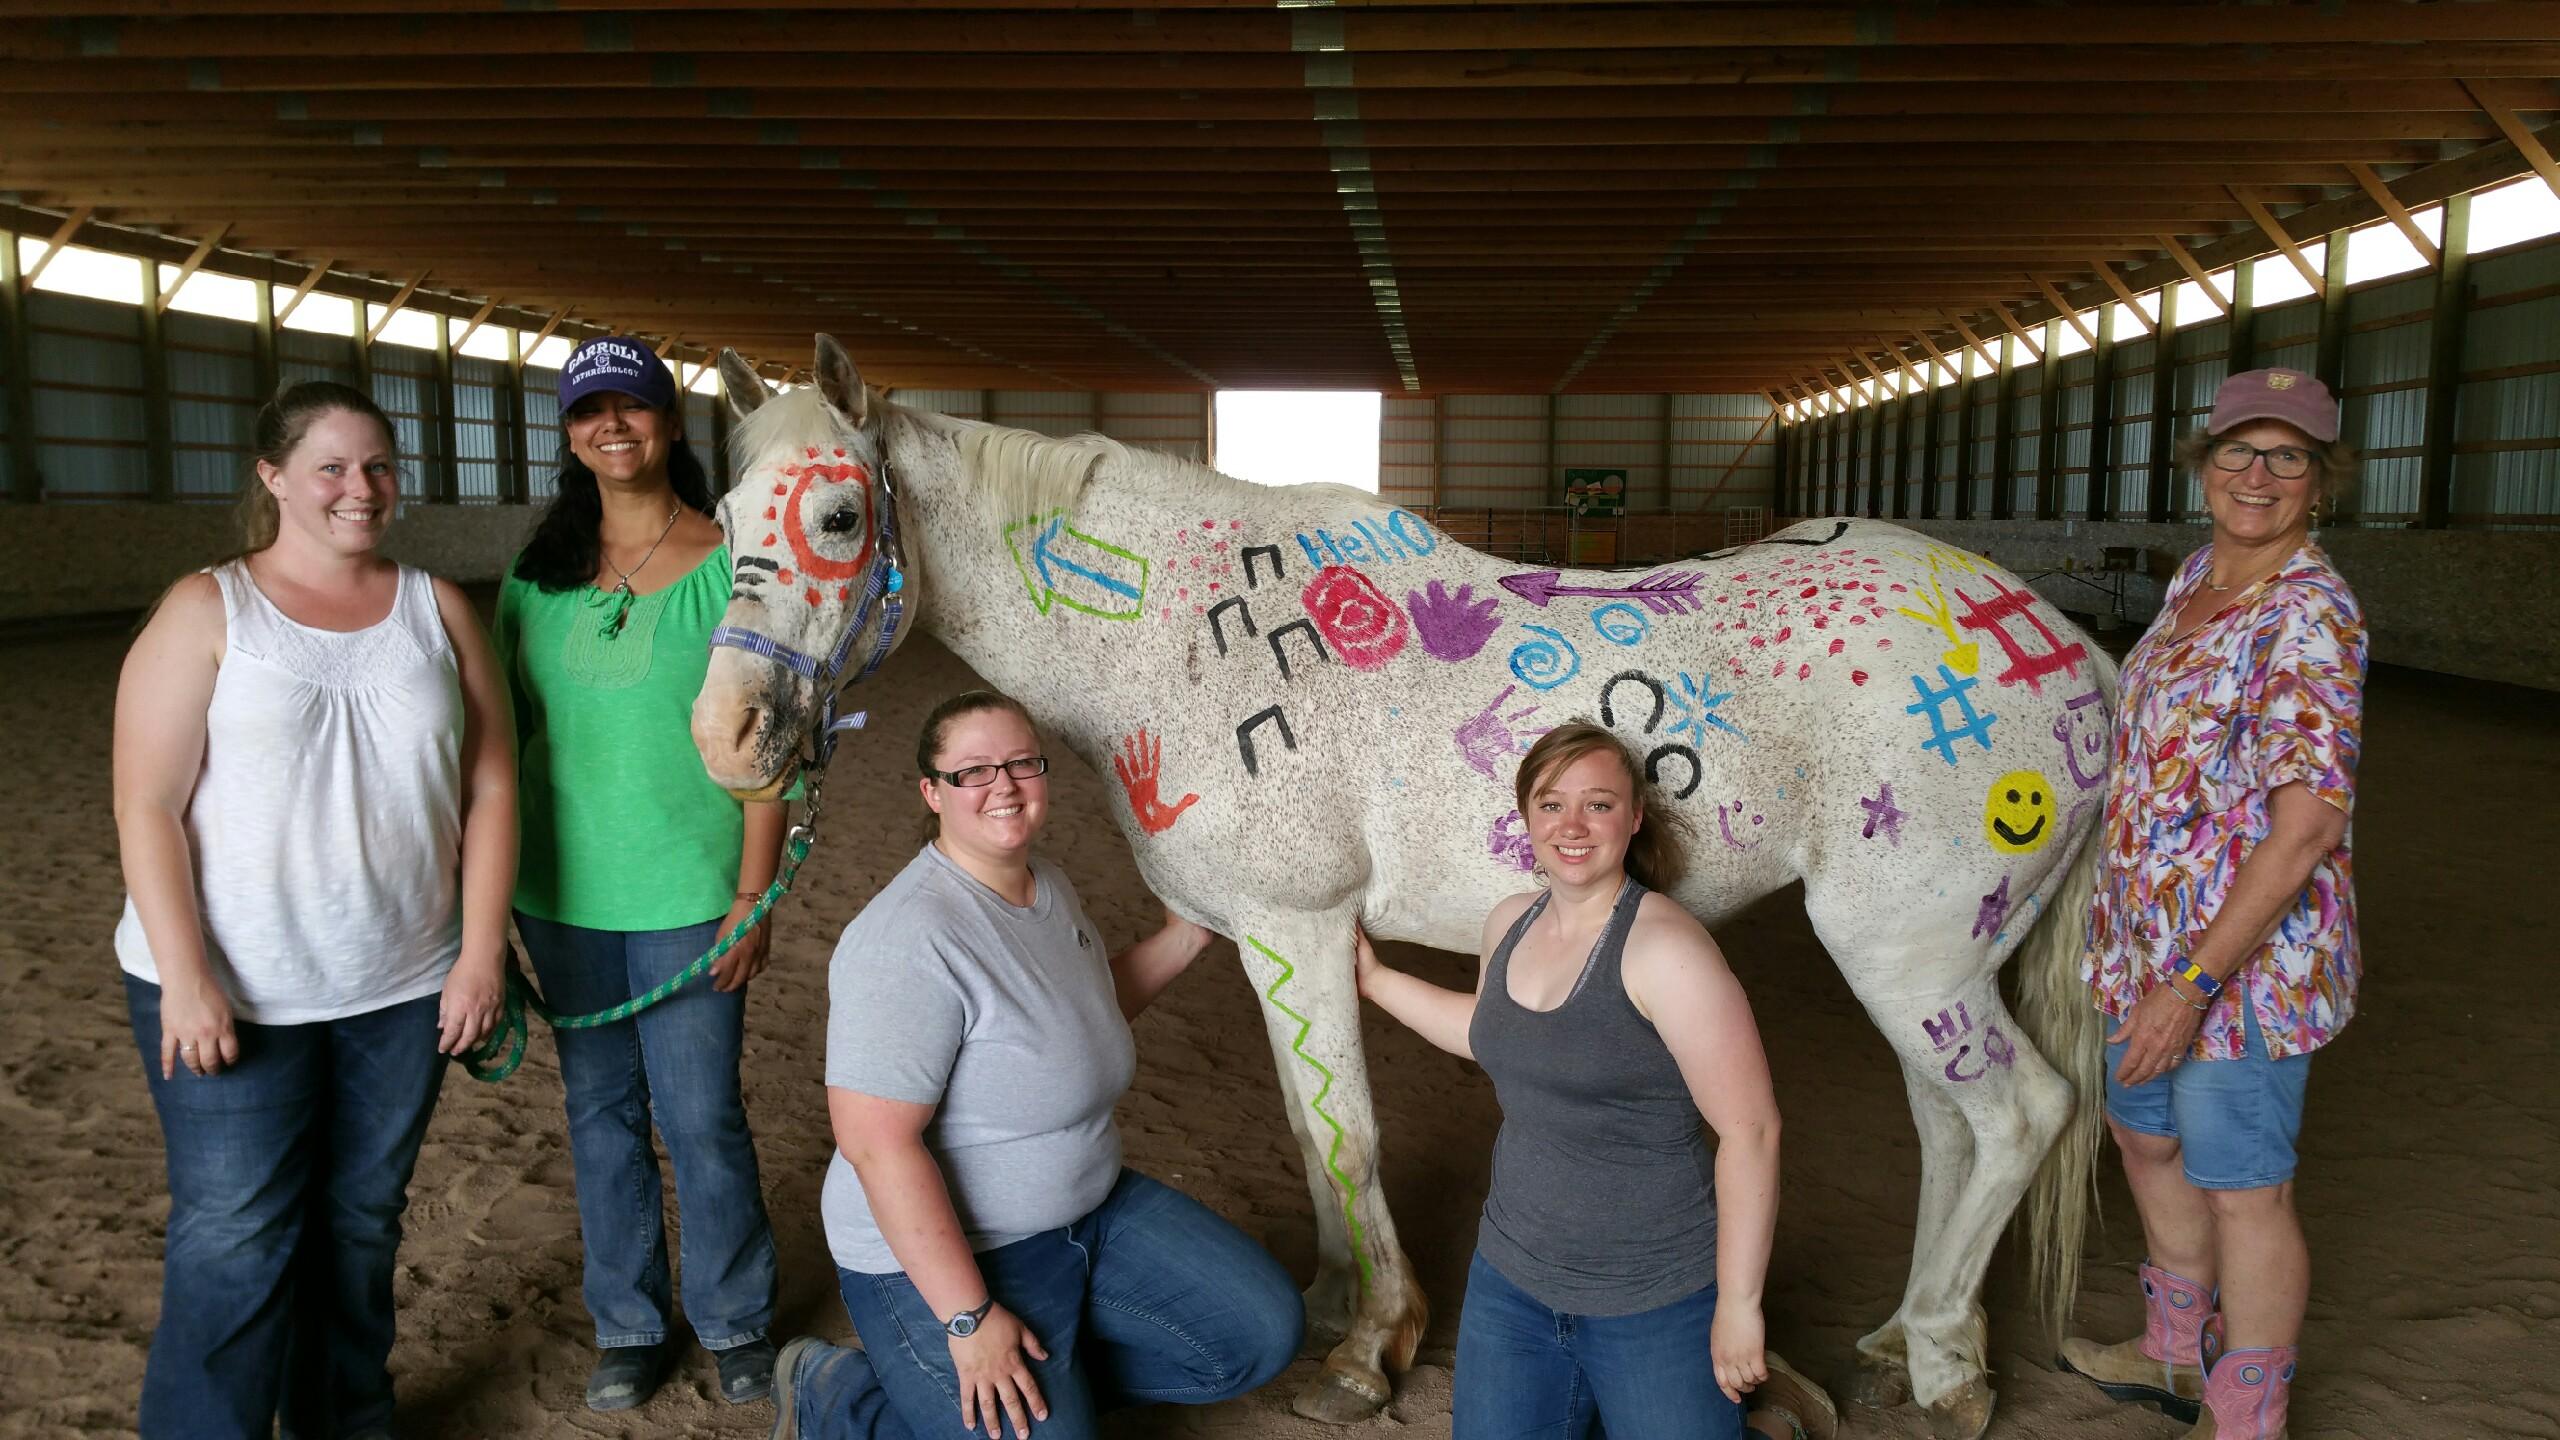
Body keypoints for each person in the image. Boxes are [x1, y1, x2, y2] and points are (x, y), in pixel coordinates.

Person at [111, 381, 515, 1438]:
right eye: (332, 467)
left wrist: (479, 955)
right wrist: (187, 977)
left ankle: (344, 1418)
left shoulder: (439, 608)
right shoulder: (208, 609)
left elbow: (491, 786)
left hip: (400, 981)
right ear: (273, 476)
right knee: (235, 1233)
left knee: (360, 1223)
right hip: (230, 985)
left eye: (378, 466)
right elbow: (146, 803)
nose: (360, 488)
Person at [770, 691, 1303, 1440]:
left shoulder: (1044, 883)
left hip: (1090, 1205)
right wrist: (969, 1318)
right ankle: (843, 1397)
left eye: (1022, 762)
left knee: (1257, 1333)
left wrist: (1187, 937)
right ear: (933, 791)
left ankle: (1047, 1396)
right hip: (958, 1256)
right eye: (974, 771)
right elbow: (875, 1144)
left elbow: (1076, 1010)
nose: (1005, 784)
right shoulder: (908, 938)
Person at [2062, 368, 2367, 1440]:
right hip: (2142, 939)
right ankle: (2171, 1353)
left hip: (2242, 966)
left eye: (2289, 457)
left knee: (2241, 1181)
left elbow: (2306, 829)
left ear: (2319, 481)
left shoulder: (2307, 617)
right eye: (2242, 449)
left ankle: (2249, 1412)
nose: (2258, 474)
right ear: (2205, 462)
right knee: (2141, 1133)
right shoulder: (2200, 576)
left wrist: (2192, 986)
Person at [1353, 722, 1803, 1440]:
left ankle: (1776, 1420)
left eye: (1597, 804)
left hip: (1652, 1295)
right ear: (1525, 815)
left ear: (1633, 818)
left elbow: (1752, 1130)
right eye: (1550, 802)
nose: (1572, 825)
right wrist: (1375, 980)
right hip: (1513, 1279)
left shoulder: (1668, 952)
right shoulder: (1509, 922)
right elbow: (1492, 1031)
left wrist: (1739, 1307)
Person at [492, 336, 784, 1410]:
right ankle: (628, 1322)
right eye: (588, 412)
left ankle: (735, 1315)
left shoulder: (727, 564)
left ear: (668, 424)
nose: (612, 426)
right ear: (570, 436)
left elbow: (762, 752)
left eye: (633, 408)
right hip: (562, 899)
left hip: (691, 896)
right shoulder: (534, 580)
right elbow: (500, 746)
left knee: (702, 1114)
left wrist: (751, 897)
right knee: (598, 1113)